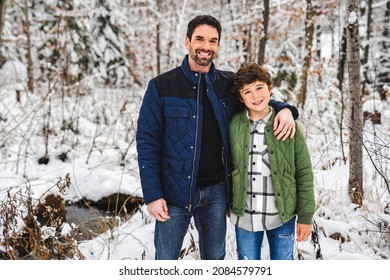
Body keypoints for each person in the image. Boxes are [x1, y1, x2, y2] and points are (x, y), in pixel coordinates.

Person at [136, 15, 299, 260]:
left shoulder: (227, 84)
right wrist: (153, 194)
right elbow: (147, 142)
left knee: (215, 258)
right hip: (174, 194)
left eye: (213, 41)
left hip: (216, 192)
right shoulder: (162, 86)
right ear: (187, 41)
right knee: (166, 259)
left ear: (218, 45)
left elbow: (257, 100)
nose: (206, 46)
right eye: (200, 39)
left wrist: (286, 109)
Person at [228, 62, 315, 260]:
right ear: (241, 98)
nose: (255, 96)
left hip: (281, 214)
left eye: (259, 88)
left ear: (270, 88)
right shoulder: (234, 125)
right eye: (247, 92)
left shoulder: (288, 125)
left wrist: (306, 215)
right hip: (245, 215)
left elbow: (303, 171)